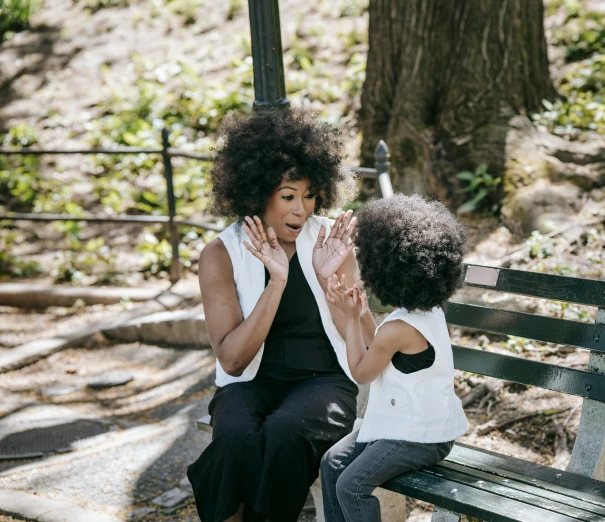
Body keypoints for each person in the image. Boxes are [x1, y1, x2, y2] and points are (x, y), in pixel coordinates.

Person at [187, 109, 377, 522]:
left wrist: (332, 281)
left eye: (309, 195)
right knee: (235, 439)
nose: (302, 209)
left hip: (324, 380)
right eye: (288, 196)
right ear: (257, 193)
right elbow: (233, 360)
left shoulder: (330, 241)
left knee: (285, 433)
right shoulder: (221, 254)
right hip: (250, 382)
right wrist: (277, 281)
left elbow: (368, 337)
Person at [319, 193, 469, 522]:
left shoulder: (401, 327)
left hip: (422, 436)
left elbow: (362, 370)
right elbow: (382, 344)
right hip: (405, 423)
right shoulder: (423, 311)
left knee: (351, 486)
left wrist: (352, 316)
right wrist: (359, 314)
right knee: (332, 463)